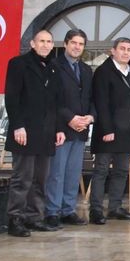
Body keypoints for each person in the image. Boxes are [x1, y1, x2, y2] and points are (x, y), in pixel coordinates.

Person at [4, 29, 65, 237]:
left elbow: (55, 103)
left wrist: (58, 129)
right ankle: (15, 220)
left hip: (46, 133)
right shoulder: (18, 64)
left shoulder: (54, 67)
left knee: (40, 179)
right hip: (25, 132)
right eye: (42, 41)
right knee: (23, 178)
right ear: (32, 43)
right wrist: (17, 126)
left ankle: (34, 218)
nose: (46, 45)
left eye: (49, 41)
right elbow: (12, 98)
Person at [44, 29, 95, 229]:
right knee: (57, 172)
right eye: (73, 43)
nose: (77, 47)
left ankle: (68, 210)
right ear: (65, 44)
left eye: (81, 44)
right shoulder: (54, 66)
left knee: (73, 172)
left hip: (81, 128)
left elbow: (90, 97)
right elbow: (51, 99)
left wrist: (90, 117)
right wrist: (70, 118)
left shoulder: (86, 70)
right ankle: (52, 212)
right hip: (61, 128)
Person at [89, 37, 130, 225]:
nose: (126, 52)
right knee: (101, 170)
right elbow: (100, 102)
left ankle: (115, 208)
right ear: (113, 51)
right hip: (107, 130)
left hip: (127, 132)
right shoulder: (104, 72)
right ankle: (95, 210)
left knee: (121, 171)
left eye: (129, 49)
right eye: (122, 49)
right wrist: (107, 128)